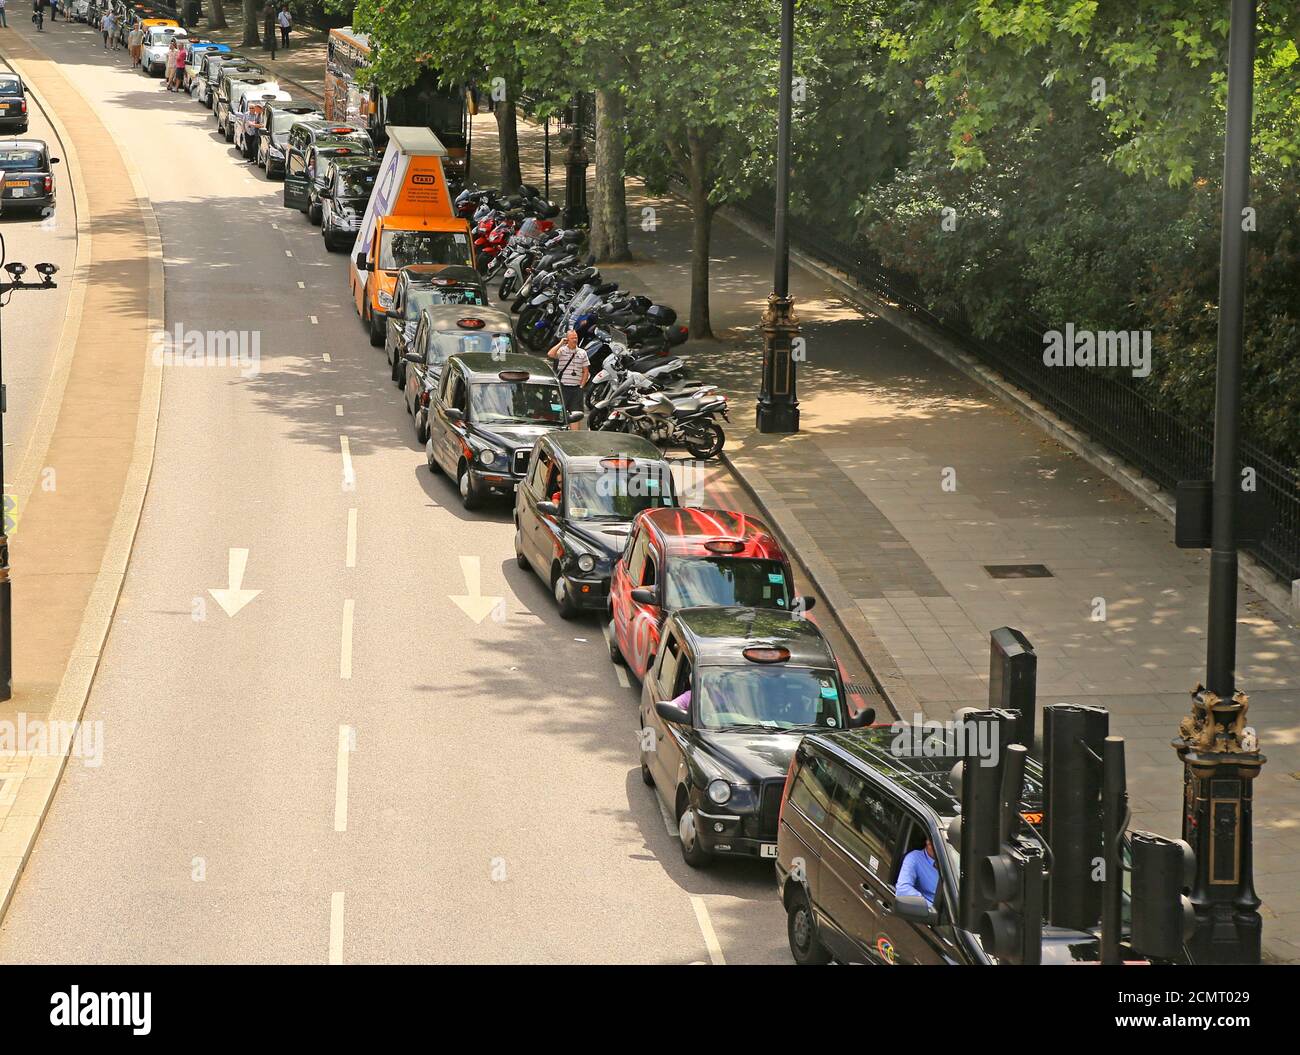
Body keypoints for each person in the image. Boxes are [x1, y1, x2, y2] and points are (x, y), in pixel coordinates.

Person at [546, 329, 588, 430]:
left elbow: (585, 371)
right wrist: (560, 343)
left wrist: (581, 386)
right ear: (567, 339)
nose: (575, 340)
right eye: (572, 338)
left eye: (576, 338)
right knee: (557, 412)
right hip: (562, 388)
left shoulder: (582, 353)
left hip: (576, 389)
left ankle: (573, 438)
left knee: (576, 415)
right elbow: (550, 354)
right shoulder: (562, 350)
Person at [896, 835, 940, 906]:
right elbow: (902, 890)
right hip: (932, 913)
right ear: (928, 842)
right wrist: (932, 907)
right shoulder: (914, 858)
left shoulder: (954, 859)